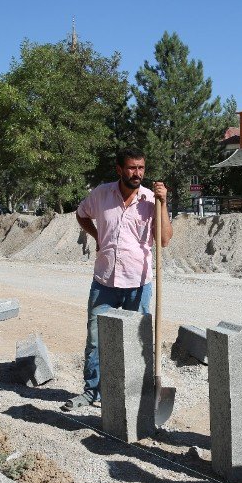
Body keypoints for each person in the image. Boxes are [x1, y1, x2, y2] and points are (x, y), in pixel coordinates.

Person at [62, 148, 171, 411]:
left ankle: (136, 395)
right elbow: (81, 214)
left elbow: (164, 240)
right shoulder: (101, 194)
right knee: (96, 339)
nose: (138, 173)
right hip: (104, 281)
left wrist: (164, 203)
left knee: (138, 342)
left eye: (141, 168)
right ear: (119, 169)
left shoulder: (150, 199)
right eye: (132, 168)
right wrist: (98, 236)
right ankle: (92, 391)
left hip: (138, 282)